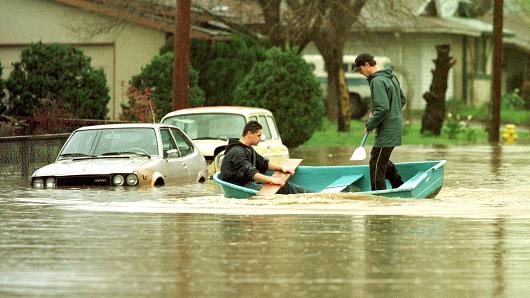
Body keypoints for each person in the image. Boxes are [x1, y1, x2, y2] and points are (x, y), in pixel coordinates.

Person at [354, 53, 406, 190]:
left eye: (360, 69)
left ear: (366, 64)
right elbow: (402, 100)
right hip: (394, 126)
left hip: (388, 130)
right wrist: (385, 113)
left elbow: (382, 108)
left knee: (376, 164)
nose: (361, 73)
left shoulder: (377, 81)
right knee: (380, 160)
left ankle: (379, 196)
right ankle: (399, 185)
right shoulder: (390, 76)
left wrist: (370, 124)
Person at [219, 120, 309, 194]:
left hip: (248, 182)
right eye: (258, 135)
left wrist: (282, 167)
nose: (261, 138)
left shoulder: (248, 149)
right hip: (239, 186)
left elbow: (264, 163)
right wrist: (272, 180)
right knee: (280, 187)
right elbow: (251, 173)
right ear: (249, 133)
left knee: (285, 185)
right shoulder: (237, 152)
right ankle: (312, 196)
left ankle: (311, 194)